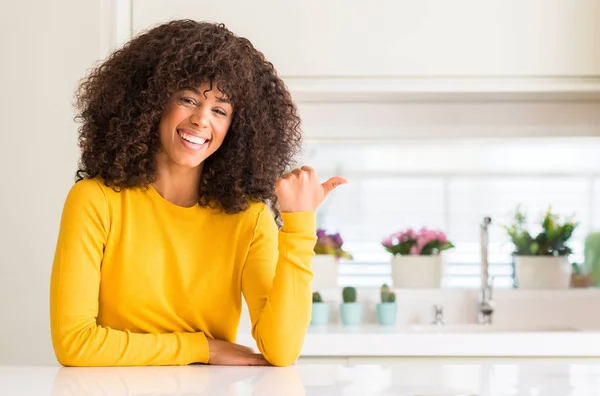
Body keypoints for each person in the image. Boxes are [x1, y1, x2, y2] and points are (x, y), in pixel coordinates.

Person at [49, 20, 346, 367]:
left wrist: (299, 226)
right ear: (152, 102)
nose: (202, 119)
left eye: (220, 110)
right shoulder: (95, 200)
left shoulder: (248, 219)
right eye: (188, 99)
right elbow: (75, 343)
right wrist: (203, 349)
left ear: (236, 128)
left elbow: (280, 351)